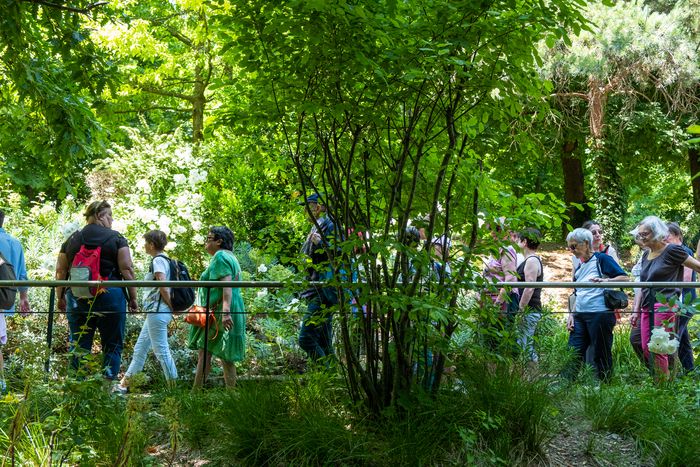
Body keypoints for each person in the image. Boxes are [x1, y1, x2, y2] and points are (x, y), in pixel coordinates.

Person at [55, 201, 138, 380]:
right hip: (110, 295)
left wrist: (60, 297)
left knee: (78, 344)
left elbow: (61, 271)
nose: (112, 220)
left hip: (77, 296)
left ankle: (77, 390)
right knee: (113, 344)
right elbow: (127, 269)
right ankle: (106, 391)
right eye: (109, 215)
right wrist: (133, 298)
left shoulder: (71, 240)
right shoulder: (117, 238)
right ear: (100, 215)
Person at [630, 216, 700, 377]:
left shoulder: (672, 250)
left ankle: (663, 390)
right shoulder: (647, 254)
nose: (641, 237)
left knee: (657, 347)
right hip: (647, 306)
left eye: (645, 234)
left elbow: (697, 266)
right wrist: (637, 308)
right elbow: (643, 283)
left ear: (656, 233)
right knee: (647, 347)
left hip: (665, 304)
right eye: (639, 234)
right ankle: (664, 380)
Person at [563, 228, 627, 381]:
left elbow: (624, 278)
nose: (571, 250)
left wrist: (606, 281)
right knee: (573, 350)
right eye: (569, 247)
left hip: (600, 313)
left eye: (573, 246)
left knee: (601, 352)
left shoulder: (601, 259)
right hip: (580, 315)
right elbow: (577, 293)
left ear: (585, 243)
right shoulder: (579, 266)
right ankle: (564, 384)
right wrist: (571, 314)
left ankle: (605, 385)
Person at [119, 230, 178, 392]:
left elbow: (163, 285)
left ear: (152, 244)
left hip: (158, 311)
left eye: (146, 242)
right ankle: (125, 385)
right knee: (140, 348)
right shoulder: (166, 259)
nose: (144, 245)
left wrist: (172, 307)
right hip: (157, 311)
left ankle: (174, 388)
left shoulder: (158, 261)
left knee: (161, 350)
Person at [188, 226, 246, 388]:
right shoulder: (231, 257)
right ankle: (231, 395)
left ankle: (195, 394)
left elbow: (226, 285)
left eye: (208, 238)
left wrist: (225, 312)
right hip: (229, 307)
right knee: (224, 356)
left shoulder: (220, 256)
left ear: (219, 241)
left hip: (220, 310)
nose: (205, 242)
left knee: (204, 351)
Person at [298, 193, 339, 364]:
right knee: (324, 339)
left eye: (310, 206)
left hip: (324, 289)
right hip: (315, 288)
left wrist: (321, 243)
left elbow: (340, 253)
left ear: (320, 206)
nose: (306, 211)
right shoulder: (317, 226)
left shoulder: (330, 225)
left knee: (306, 338)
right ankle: (335, 382)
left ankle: (327, 372)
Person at [0, 209, 31, 393]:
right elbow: (22, 274)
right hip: (4, 300)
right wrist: (23, 297)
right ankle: (2, 384)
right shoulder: (14, 243)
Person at [665, 222, 695, 373]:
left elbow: (687, 278)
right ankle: (690, 370)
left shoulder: (684, 251)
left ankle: (671, 373)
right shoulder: (669, 251)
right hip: (677, 303)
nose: (664, 238)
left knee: (674, 337)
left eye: (667, 235)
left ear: (678, 236)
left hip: (684, 304)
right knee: (682, 338)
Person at [515, 228, 544, 362]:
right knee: (525, 344)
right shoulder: (529, 260)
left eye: (518, 238)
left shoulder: (532, 260)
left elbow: (529, 287)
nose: (515, 240)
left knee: (525, 346)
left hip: (529, 310)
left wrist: (521, 309)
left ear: (524, 242)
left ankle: (530, 378)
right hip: (528, 310)